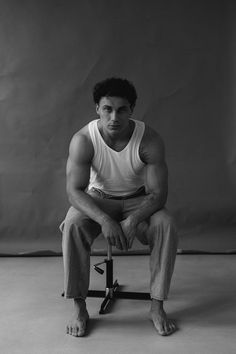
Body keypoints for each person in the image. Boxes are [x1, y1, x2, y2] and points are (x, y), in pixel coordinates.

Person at [60, 77, 178, 337]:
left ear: (132, 110)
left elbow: (159, 194)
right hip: (98, 197)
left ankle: (157, 306)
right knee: (73, 224)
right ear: (97, 109)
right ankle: (79, 307)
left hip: (138, 199)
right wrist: (104, 220)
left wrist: (133, 219)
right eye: (107, 109)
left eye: (121, 109)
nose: (114, 116)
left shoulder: (149, 139)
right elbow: (74, 191)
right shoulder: (84, 139)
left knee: (165, 224)